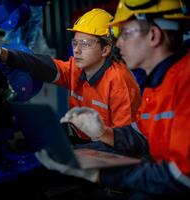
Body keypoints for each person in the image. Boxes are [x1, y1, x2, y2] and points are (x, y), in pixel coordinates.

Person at [36, 0, 190, 198]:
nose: (118, 43)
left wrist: (102, 174)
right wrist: (104, 132)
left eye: (125, 33)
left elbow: (180, 178)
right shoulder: (160, 82)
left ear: (153, 35)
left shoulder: (184, 84)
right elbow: (141, 134)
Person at [0, 8, 141, 142]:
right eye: (75, 42)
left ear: (105, 49)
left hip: (112, 159)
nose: (77, 50)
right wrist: (2, 53)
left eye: (85, 44)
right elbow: (44, 65)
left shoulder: (120, 82)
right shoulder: (78, 69)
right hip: (86, 145)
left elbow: (127, 143)